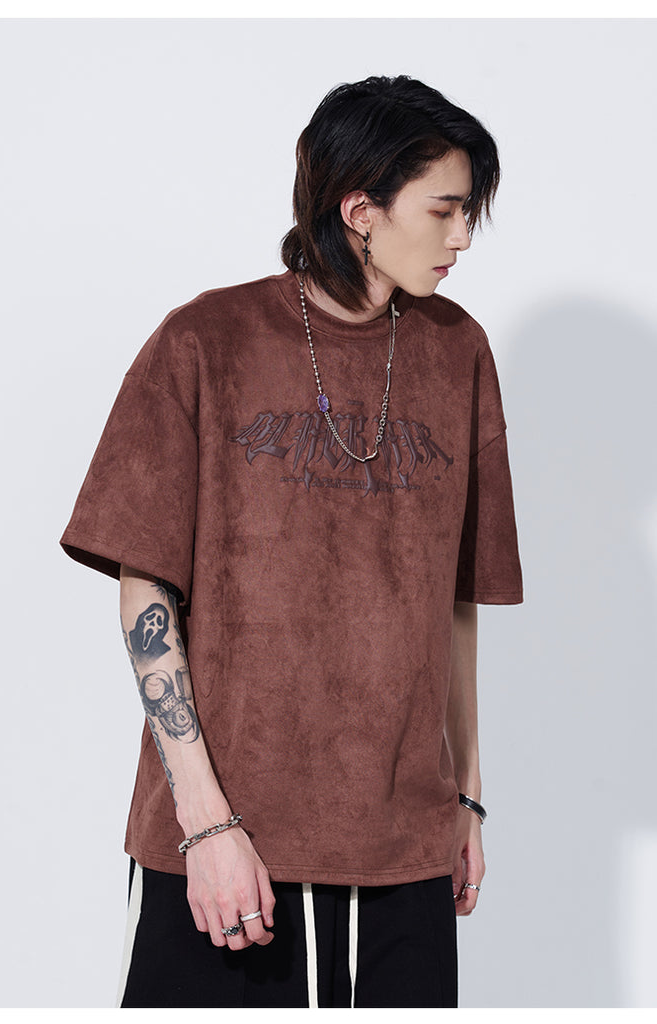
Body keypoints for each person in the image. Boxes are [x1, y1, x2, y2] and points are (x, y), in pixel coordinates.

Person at [60, 74, 523, 1008]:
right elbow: (146, 590)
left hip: (403, 849)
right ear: (360, 210)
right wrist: (204, 823)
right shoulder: (205, 341)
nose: (461, 237)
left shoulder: (457, 350)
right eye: (442, 210)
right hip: (228, 846)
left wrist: (466, 797)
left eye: (466, 212)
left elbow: (453, 601)